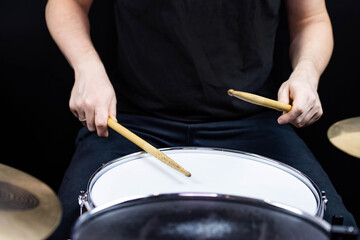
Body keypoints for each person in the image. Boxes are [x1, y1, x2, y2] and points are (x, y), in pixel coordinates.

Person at [45, 0, 357, 238]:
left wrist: (306, 73)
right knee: (67, 226)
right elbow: (66, 4)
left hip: (255, 124)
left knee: (335, 227)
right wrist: (87, 67)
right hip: (132, 123)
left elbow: (310, 19)